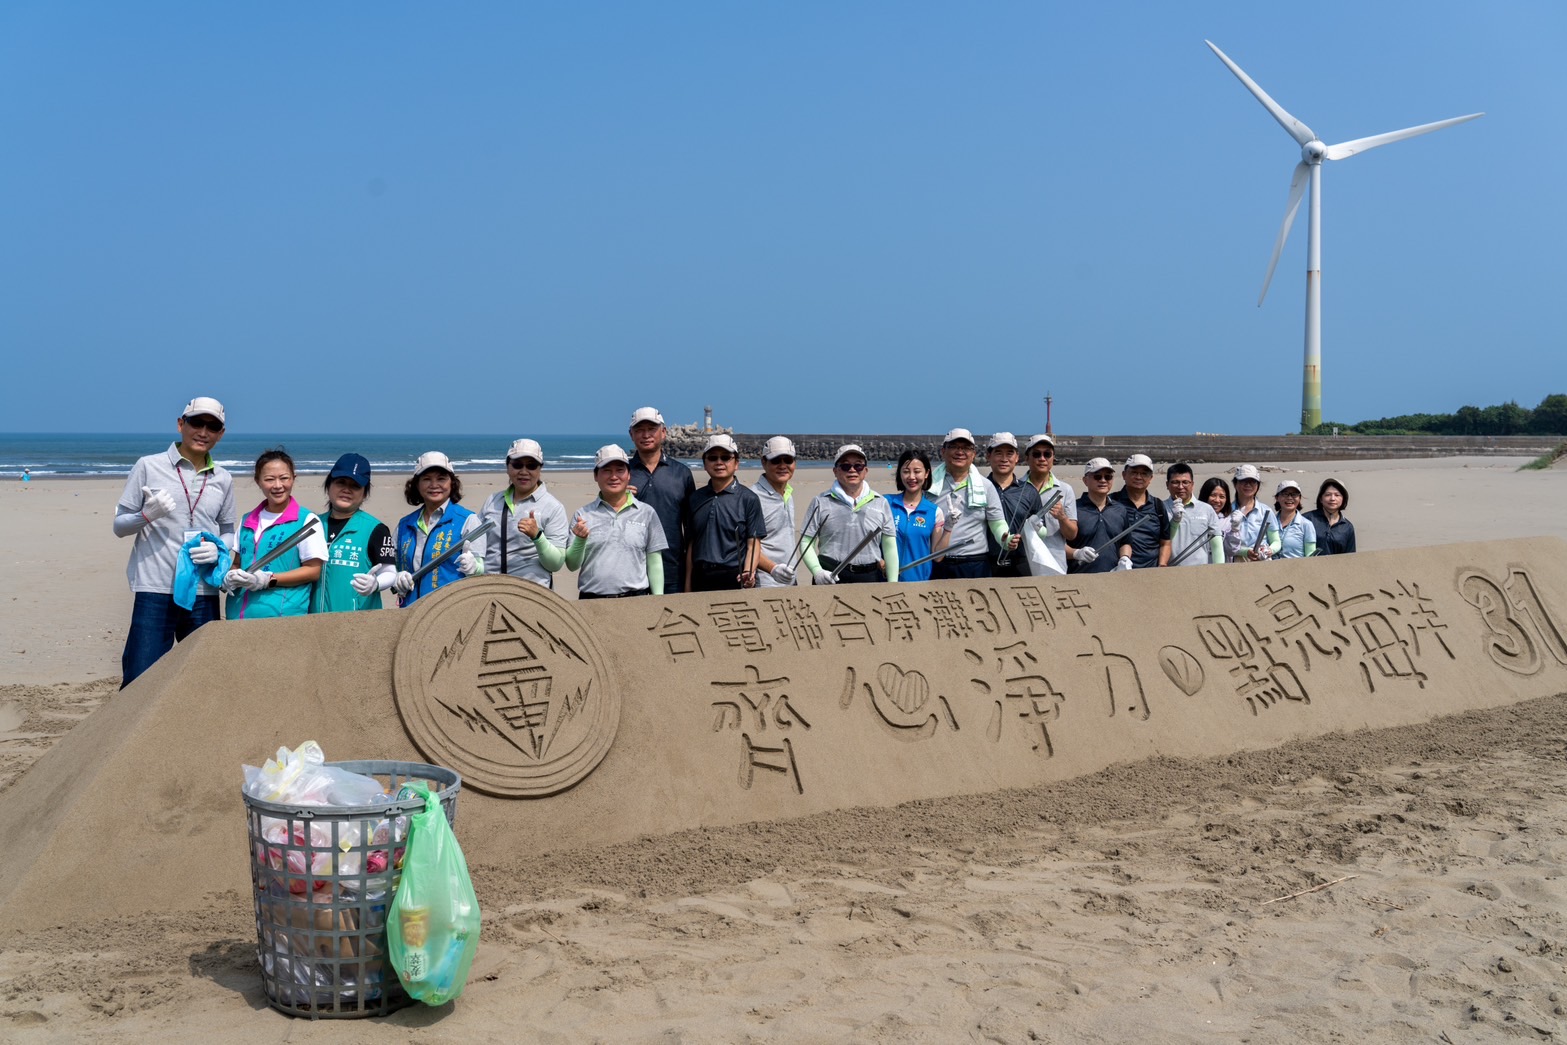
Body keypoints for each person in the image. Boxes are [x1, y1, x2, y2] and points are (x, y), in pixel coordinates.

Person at [113, 396, 238, 687]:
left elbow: (229, 528)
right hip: (155, 589)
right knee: (139, 679)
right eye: (196, 423)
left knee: (204, 677)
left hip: (204, 590)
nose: (203, 432)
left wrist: (220, 549)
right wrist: (146, 515)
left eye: (212, 426)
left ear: (220, 434)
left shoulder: (223, 478)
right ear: (181, 424)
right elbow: (119, 526)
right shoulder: (148, 466)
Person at [225, 449, 329, 619]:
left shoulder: (307, 521)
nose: (278, 485)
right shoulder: (247, 520)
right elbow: (238, 562)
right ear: (258, 481)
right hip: (238, 617)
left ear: (293, 479)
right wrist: (230, 576)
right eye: (269, 479)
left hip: (282, 619)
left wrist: (268, 579)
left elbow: (312, 571)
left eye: (284, 478)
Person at [566, 444, 669, 598]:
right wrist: (580, 540)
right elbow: (572, 565)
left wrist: (658, 598)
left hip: (636, 600)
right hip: (592, 602)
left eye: (620, 470)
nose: (614, 477)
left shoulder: (646, 512)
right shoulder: (583, 515)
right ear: (596, 476)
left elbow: (654, 561)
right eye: (606, 470)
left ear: (629, 475)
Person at [391, 452, 487, 606]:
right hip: (410, 612)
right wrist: (396, 578)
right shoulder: (405, 524)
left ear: (452, 483)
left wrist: (474, 567)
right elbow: (392, 567)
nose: (434, 485)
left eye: (441, 478)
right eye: (427, 479)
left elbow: (481, 568)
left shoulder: (468, 520)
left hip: (449, 612)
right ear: (416, 484)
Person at [311, 453, 398, 613]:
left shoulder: (376, 529)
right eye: (340, 482)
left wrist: (376, 583)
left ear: (364, 493)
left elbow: (390, 572)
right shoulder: (312, 525)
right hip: (314, 622)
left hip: (358, 624)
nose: (346, 490)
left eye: (355, 486)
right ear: (329, 485)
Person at [800, 444, 899, 584]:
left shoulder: (881, 503)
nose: (852, 470)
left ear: (865, 470)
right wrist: (817, 571)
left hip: (870, 576)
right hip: (830, 575)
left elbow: (889, 545)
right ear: (835, 471)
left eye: (858, 466)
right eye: (846, 466)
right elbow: (805, 542)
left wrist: (893, 582)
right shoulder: (820, 502)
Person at [478, 438, 569, 589]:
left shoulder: (553, 507)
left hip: (531, 595)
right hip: (491, 590)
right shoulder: (493, 501)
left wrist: (537, 536)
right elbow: (479, 545)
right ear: (507, 467)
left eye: (531, 466)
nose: (524, 472)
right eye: (517, 465)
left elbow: (556, 563)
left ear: (540, 469)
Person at [685, 434, 767, 592]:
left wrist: (748, 572)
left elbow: (753, 544)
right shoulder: (695, 498)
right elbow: (691, 546)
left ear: (736, 463)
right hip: (700, 577)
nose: (719, 462)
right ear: (704, 463)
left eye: (725, 457)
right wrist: (687, 587)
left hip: (734, 577)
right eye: (713, 458)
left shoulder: (749, 499)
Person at [626, 407, 695, 594]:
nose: (646, 435)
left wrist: (689, 577)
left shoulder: (682, 474)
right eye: (640, 430)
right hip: (630, 572)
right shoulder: (622, 473)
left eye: (652, 429)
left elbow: (690, 531)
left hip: (673, 570)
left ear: (663, 433)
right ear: (631, 434)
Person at [928, 428, 1009, 580]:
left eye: (966, 448)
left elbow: (997, 523)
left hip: (975, 563)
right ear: (943, 451)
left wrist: (1005, 538)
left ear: (973, 455)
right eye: (954, 447)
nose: (960, 452)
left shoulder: (986, 486)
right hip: (937, 562)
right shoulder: (929, 485)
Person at [1021, 434, 1078, 576]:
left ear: (1053, 458)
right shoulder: (1017, 488)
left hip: (1055, 565)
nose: (1042, 459)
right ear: (1027, 458)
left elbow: (1072, 534)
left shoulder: (1065, 490)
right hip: (1024, 564)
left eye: (1047, 454)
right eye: (1036, 454)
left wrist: (1062, 517)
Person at [887, 449, 947, 582]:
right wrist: (879, 561)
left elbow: (937, 556)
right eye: (906, 471)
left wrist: (949, 528)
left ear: (926, 473)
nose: (911, 477)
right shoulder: (886, 503)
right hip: (885, 582)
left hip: (919, 584)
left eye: (917, 471)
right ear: (900, 474)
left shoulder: (934, 512)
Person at [983, 433, 1037, 578]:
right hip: (986, 563)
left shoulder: (1029, 491)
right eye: (998, 453)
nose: (1004, 459)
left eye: (1009, 453)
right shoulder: (978, 488)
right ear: (988, 456)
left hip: (1021, 563)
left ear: (1017, 458)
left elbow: (1038, 529)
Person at [1068, 458, 1132, 574]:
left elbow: (1125, 542)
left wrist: (1125, 558)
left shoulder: (1120, 510)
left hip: (1112, 577)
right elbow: (1057, 546)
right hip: (1079, 578)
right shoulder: (1073, 508)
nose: (1103, 480)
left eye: (1108, 477)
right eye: (1097, 476)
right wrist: (1076, 553)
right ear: (1085, 480)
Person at [751, 437, 800, 588]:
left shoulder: (788, 494)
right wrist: (773, 569)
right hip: (766, 584)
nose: (783, 466)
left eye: (788, 460)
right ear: (763, 462)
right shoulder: (753, 498)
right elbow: (747, 547)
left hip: (791, 581)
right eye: (776, 461)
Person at [1112, 453, 1171, 568]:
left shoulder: (1158, 505)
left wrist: (1162, 565)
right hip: (1116, 570)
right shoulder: (1111, 502)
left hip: (1150, 572)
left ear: (1150, 478)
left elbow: (1165, 542)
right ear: (1124, 475)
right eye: (1134, 472)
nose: (1139, 477)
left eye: (1144, 473)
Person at [1163, 463, 1224, 567]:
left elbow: (1217, 546)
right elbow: (1160, 541)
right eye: (1175, 482)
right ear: (1167, 484)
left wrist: (1220, 571)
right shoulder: (1160, 508)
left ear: (1192, 485)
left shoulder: (1206, 509)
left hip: (1200, 572)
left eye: (1185, 482)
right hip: (1170, 571)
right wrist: (1174, 521)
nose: (1180, 487)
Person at [1229, 465, 1280, 563]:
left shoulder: (1266, 511)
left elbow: (1276, 541)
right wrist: (1245, 552)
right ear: (1235, 484)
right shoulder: (1228, 511)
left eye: (1252, 481)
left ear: (1257, 485)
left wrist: (1269, 550)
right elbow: (1226, 544)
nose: (1248, 485)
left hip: (1262, 560)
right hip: (1238, 562)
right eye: (1243, 481)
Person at [1304, 478, 1357, 555]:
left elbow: (1350, 556)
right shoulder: (1307, 519)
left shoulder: (1347, 527)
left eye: (1337, 495)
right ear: (1320, 499)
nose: (1332, 499)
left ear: (1343, 499)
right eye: (1328, 495)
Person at [1273, 480, 1318, 558]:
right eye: (1285, 494)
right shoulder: (1270, 522)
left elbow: (1310, 557)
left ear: (1300, 498)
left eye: (1294, 494)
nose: (1289, 498)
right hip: (1270, 569)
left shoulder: (1306, 525)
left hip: (1296, 569)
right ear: (1277, 497)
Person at [1200, 477, 1235, 562]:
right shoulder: (1196, 517)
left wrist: (1235, 530)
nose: (1217, 500)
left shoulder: (1229, 521)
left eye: (1222, 497)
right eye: (1213, 495)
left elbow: (1232, 549)